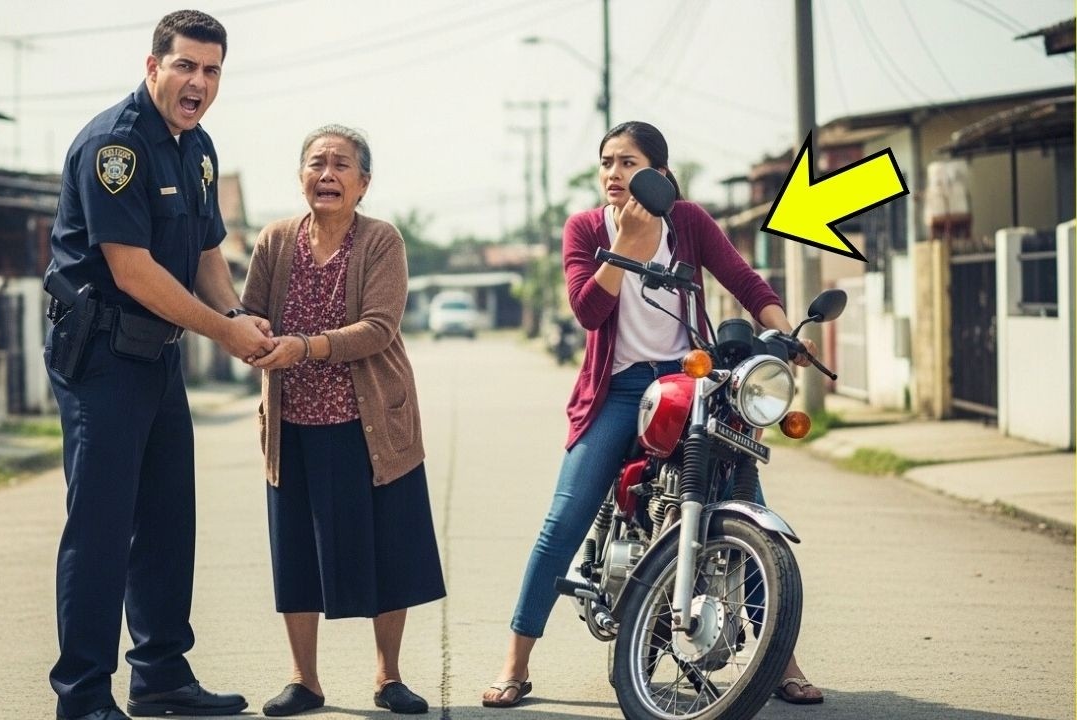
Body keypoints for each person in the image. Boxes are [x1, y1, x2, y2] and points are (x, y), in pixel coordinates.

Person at [481, 121, 824, 708]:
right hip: (616, 391)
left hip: (690, 379)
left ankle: (781, 661)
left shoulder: (687, 221)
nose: (614, 173)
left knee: (746, 497)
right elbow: (588, 311)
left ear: (660, 175)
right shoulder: (586, 228)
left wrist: (785, 331)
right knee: (564, 521)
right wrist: (626, 248)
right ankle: (516, 662)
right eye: (606, 162)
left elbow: (743, 280)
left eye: (628, 162)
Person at [41, 10, 276, 720]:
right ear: (153, 67)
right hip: (102, 357)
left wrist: (235, 313)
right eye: (185, 66)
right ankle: (83, 695)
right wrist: (224, 335)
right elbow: (133, 270)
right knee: (102, 528)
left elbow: (205, 250)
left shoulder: (197, 147)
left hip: (159, 355)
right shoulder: (115, 147)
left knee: (169, 520)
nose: (198, 82)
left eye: (212, 70)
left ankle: (161, 677)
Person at [241, 125, 446, 717]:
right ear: (301, 176)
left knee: (389, 550)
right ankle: (304, 680)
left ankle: (389, 676)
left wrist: (305, 346)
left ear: (363, 183)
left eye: (341, 165)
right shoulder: (275, 240)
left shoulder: (381, 240)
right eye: (316, 163)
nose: (326, 174)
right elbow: (249, 311)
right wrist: (249, 331)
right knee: (296, 554)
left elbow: (379, 327)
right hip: (293, 425)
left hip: (371, 423)